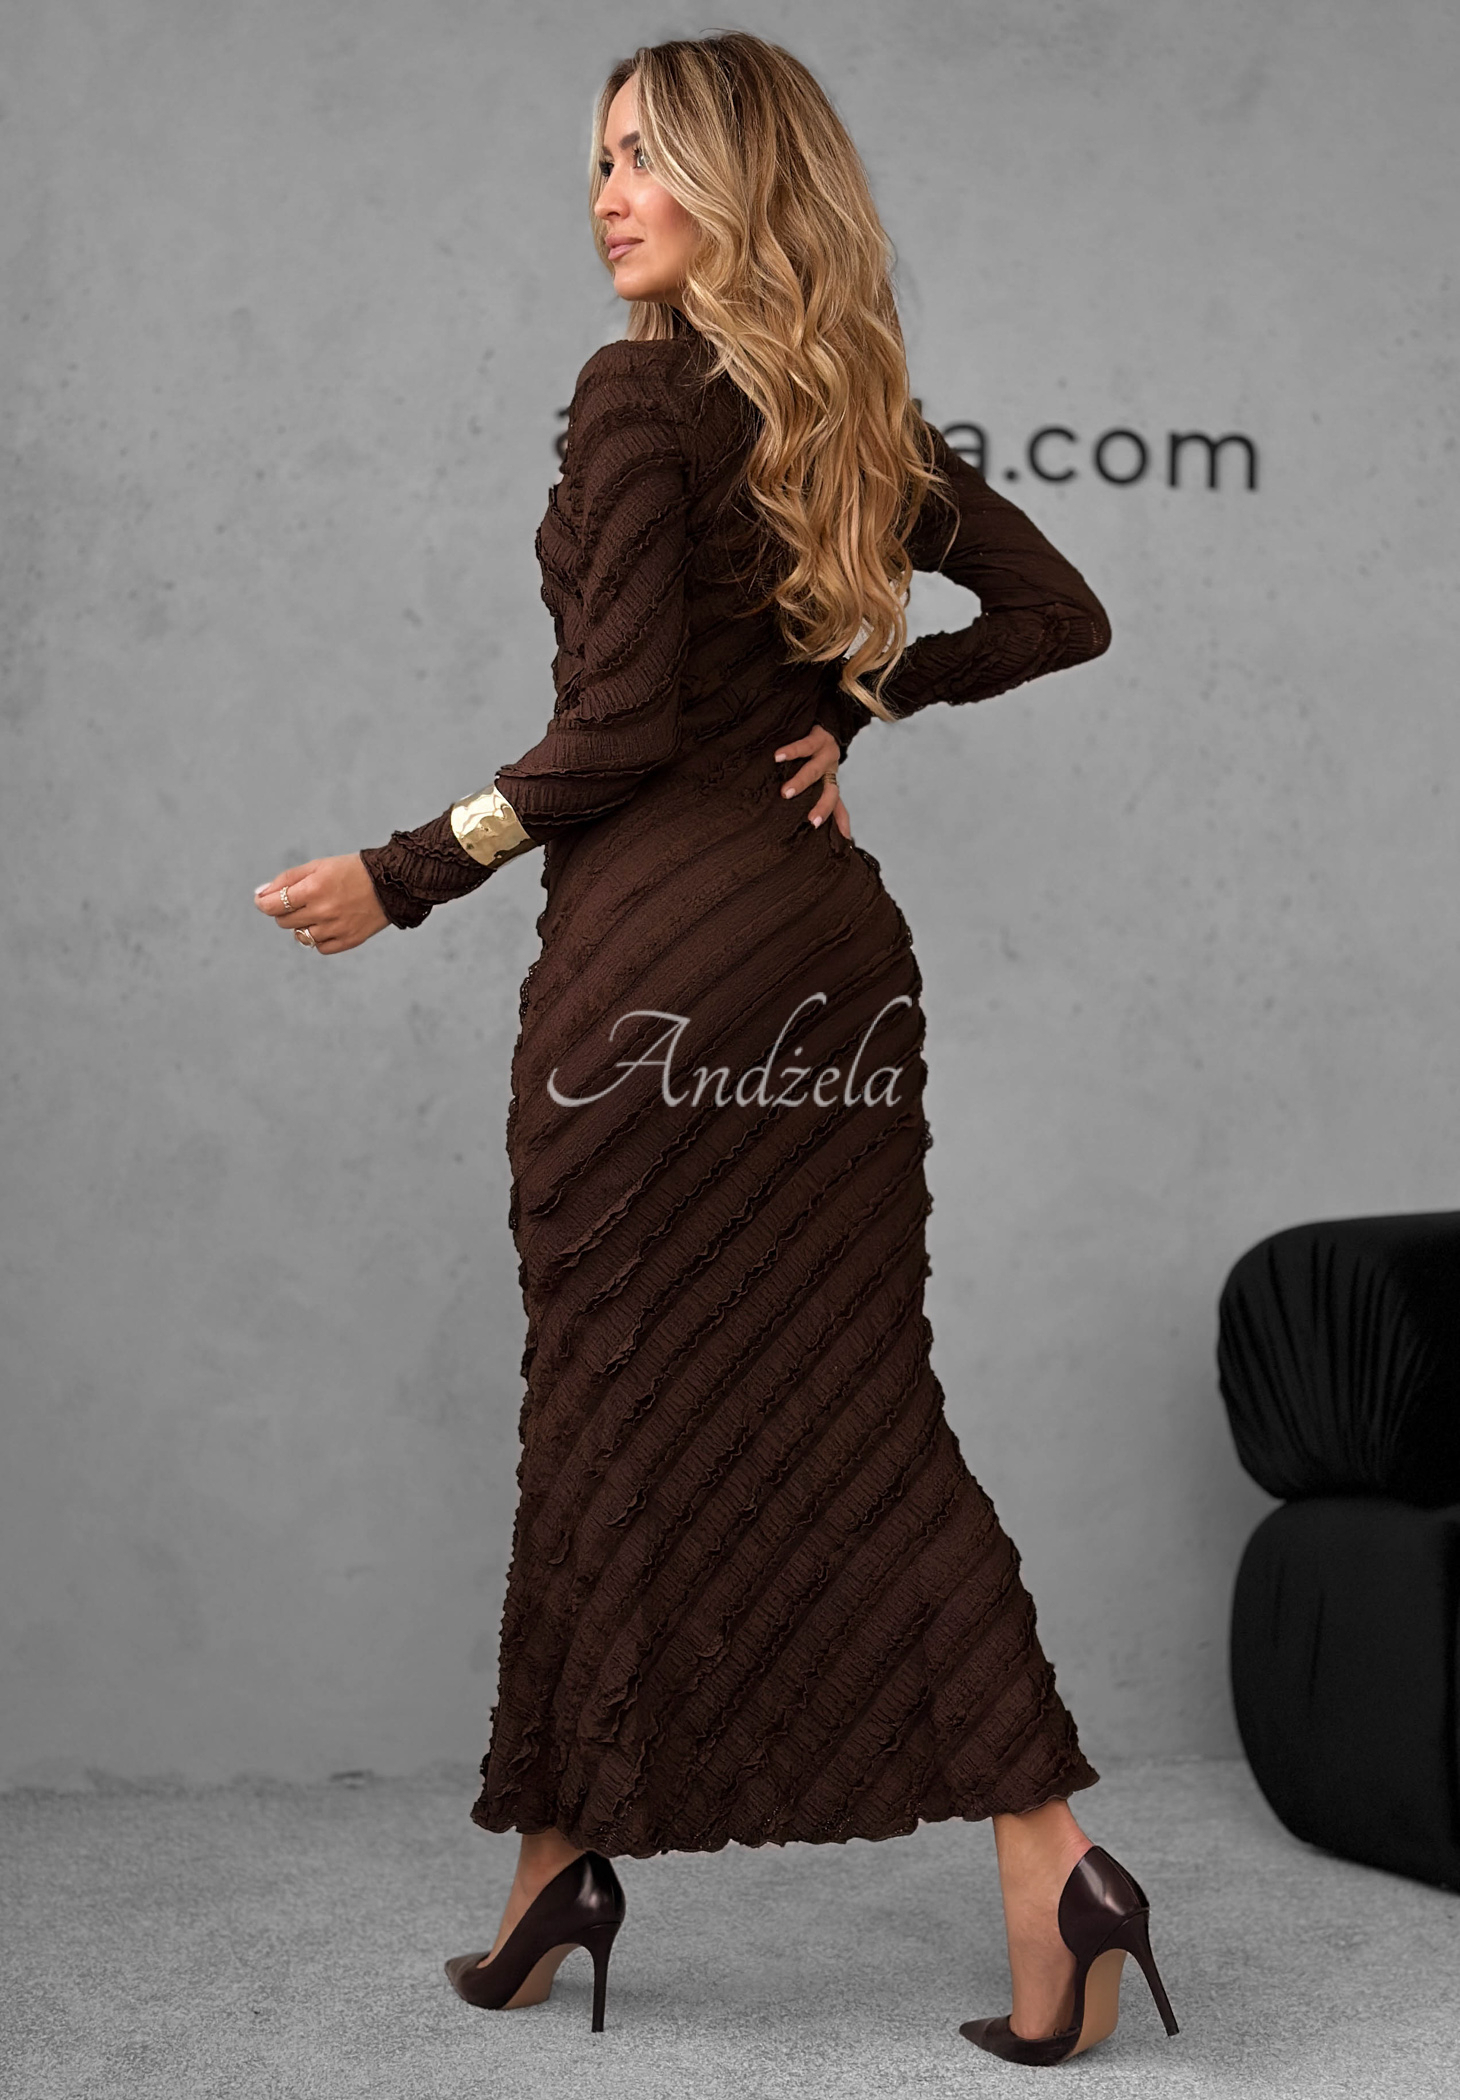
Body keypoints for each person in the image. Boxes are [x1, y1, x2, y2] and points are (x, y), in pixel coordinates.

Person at [253, 31, 1179, 2066]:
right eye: (597, 157)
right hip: (825, 962)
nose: (606, 193)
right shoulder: (844, 409)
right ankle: (1000, 1869)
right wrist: (852, 710)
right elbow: (1062, 612)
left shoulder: (636, 394)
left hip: (656, 977)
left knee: (607, 1396)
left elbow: (605, 738)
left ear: (740, 187)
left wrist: (402, 872)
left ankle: (586, 1867)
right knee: (856, 1407)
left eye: (647, 158)